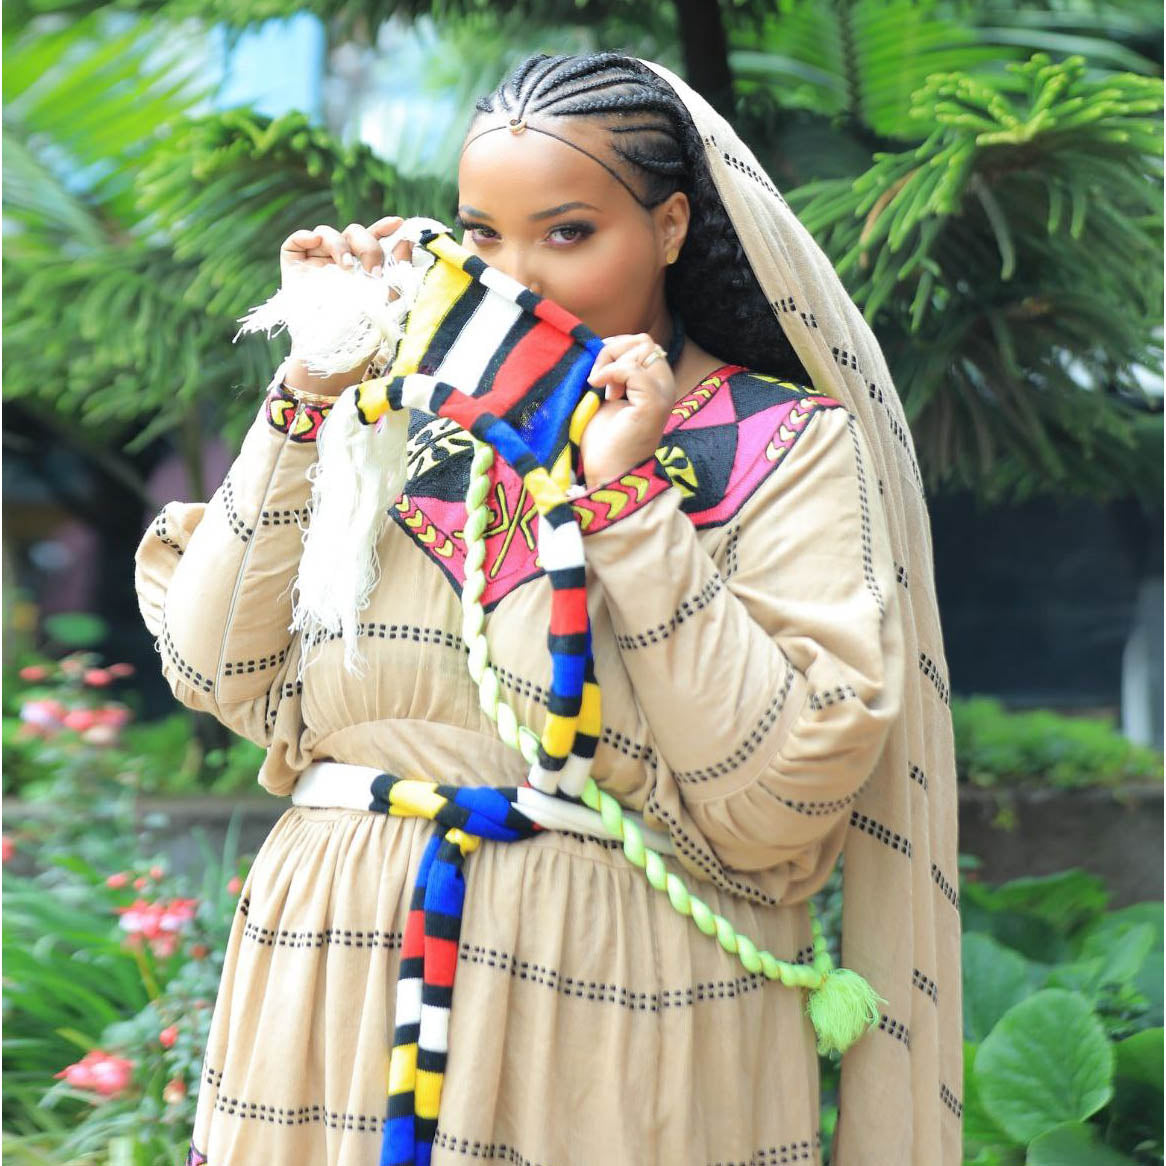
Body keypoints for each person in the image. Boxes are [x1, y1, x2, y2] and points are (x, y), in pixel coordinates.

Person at [135, 51, 962, 1166]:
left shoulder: (783, 444)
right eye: (481, 235)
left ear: (669, 224)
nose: (517, 274)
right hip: (324, 988)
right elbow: (216, 671)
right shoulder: (394, 424)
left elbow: (780, 792)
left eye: (567, 232)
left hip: (613, 1014)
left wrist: (627, 503)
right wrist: (315, 389)